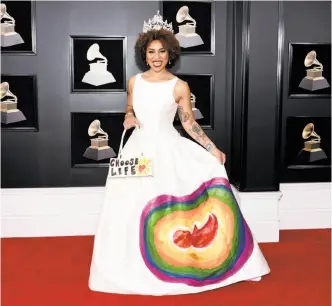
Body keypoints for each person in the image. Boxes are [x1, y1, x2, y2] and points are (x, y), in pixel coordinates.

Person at [88, 11, 270, 296]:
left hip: (168, 149)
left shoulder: (179, 86)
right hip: (137, 151)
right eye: (151, 52)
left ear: (170, 54)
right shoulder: (135, 82)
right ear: (144, 54)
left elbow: (188, 122)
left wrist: (213, 149)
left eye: (162, 51)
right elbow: (130, 108)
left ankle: (185, 261)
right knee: (128, 206)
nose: (157, 57)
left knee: (170, 207)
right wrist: (128, 118)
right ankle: (126, 266)